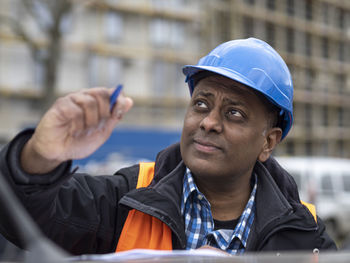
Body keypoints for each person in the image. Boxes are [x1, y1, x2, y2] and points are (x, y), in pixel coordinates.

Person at [0, 38, 336, 255]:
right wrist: (39, 155)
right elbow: (22, 214)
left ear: (268, 141)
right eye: (201, 104)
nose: (208, 122)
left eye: (234, 113)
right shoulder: (126, 199)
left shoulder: (307, 236)